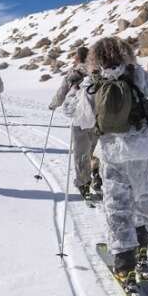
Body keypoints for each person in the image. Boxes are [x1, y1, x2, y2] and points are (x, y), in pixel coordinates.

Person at [74, 37, 148, 291]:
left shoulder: (93, 81)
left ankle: (125, 266)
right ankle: (142, 252)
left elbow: (84, 120)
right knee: (141, 199)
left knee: (117, 208)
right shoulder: (138, 74)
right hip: (144, 150)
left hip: (114, 153)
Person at [51, 46, 102, 202]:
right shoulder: (98, 71)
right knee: (93, 149)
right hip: (98, 119)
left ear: (79, 58)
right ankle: (95, 173)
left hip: (80, 120)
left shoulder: (75, 73)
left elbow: (62, 91)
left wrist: (54, 104)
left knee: (81, 153)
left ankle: (83, 184)